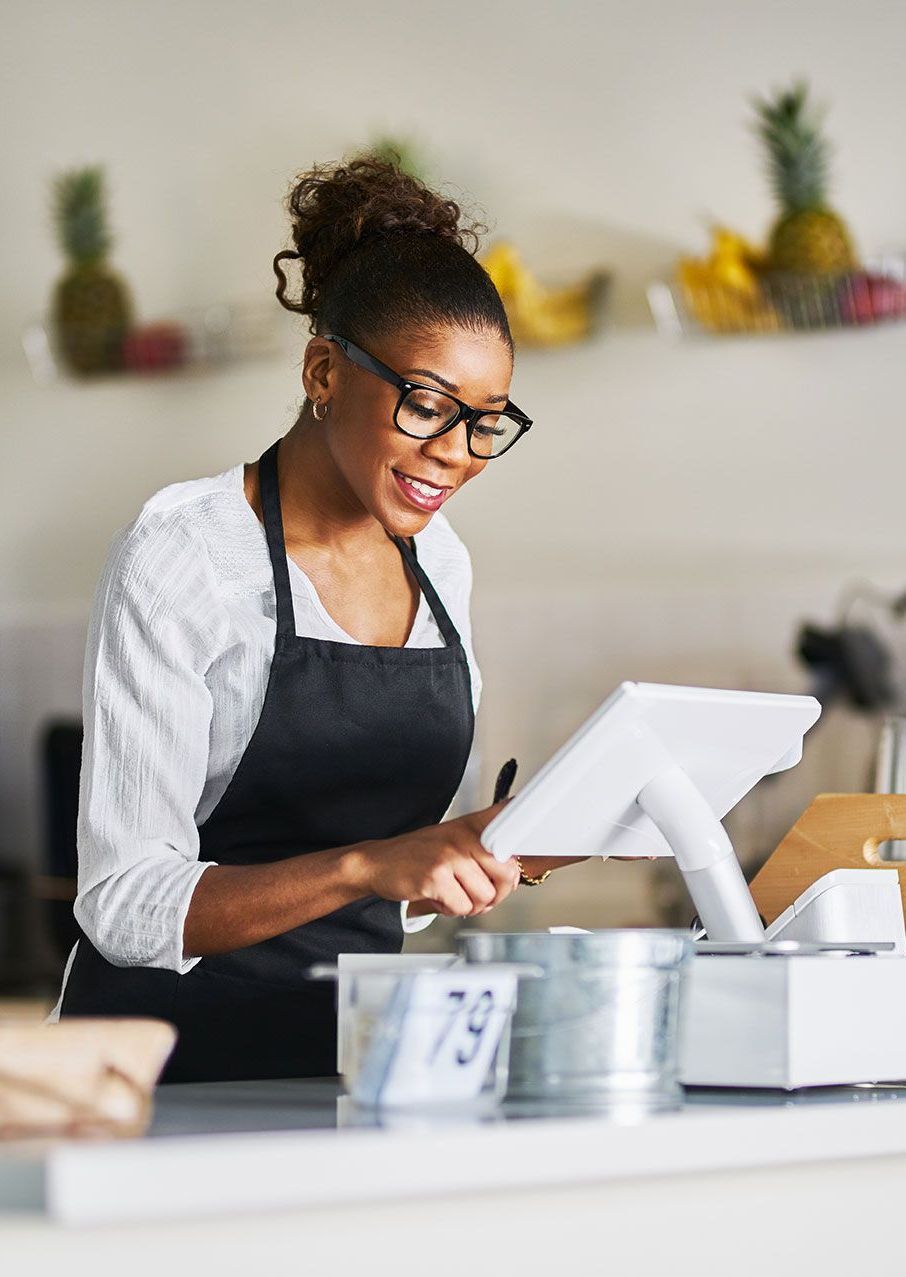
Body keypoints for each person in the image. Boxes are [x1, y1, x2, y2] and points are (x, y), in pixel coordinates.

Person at [56, 156, 583, 1082]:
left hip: (354, 1060)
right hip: (162, 1074)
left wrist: (484, 849)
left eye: (488, 421)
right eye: (427, 404)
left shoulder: (441, 560)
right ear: (325, 371)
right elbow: (123, 901)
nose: (458, 454)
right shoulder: (186, 555)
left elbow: (395, 884)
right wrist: (366, 867)